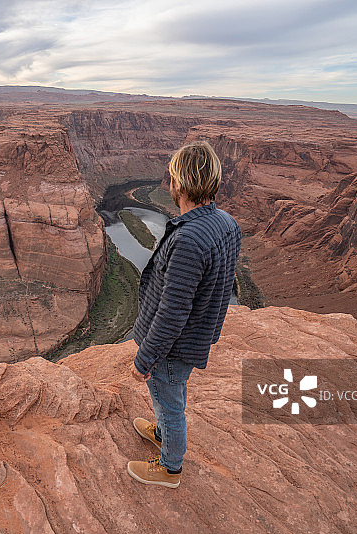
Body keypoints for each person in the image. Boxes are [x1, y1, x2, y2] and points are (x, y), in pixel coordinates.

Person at [127, 140, 241, 488]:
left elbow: (172, 312)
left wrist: (144, 358)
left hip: (173, 347)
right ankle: (161, 433)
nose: (169, 182)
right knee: (171, 393)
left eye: (172, 176)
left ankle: (170, 467)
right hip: (193, 338)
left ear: (180, 183)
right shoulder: (226, 222)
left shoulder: (189, 239)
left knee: (171, 402)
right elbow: (218, 285)